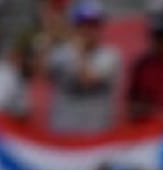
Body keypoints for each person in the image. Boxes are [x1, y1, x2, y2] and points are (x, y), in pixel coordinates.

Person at [44, 1, 122, 134]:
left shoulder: (110, 56)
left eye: (93, 24)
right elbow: (41, 72)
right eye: (83, 24)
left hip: (95, 140)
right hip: (63, 139)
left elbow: (87, 80)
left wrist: (78, 51)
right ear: (74, 26)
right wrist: (50, 36)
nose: (88, 29)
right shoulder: (61, 53)